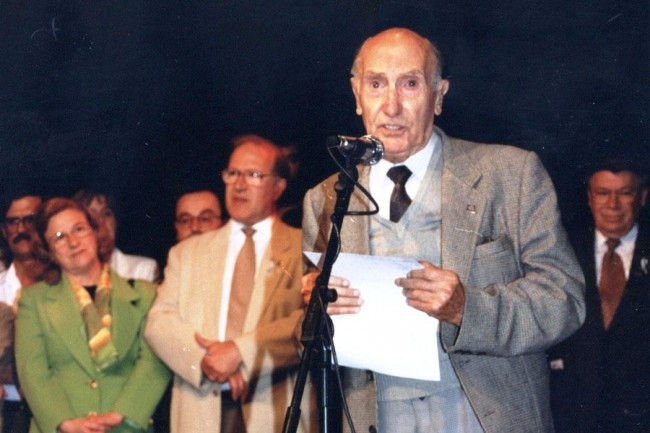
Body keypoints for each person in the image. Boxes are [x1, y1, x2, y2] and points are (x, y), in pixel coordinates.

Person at [301, 27, 585, 433]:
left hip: (482, 413)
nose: (391, 105)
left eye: (410, 84)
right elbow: (313, 349)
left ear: (439, 95)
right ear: (356, 94)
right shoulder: (325, 199)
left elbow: (564, 300)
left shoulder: (511, 174)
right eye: (376, 84)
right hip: (376, 418)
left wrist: (467, 309)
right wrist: (315, 311)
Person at [145, 135, 315, 433]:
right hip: (201, 409)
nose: (239, 185)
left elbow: (311, 322)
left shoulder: (304, 247)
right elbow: (158, 323)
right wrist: (206, 361)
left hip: (276, 409)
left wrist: (240, 353)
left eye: (253, 175)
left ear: (278, 186)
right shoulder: (186, 252)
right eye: (233, 173)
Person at [15, 198, 170, 433]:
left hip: (126, 426)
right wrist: (66, 423)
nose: (73, 242)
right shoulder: (33, 301)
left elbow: (153, 361)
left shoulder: (145, 294)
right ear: (48, 251)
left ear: (96, 232)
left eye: (79, 229)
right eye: (59, 237)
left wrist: (120, 414)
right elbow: (32, 371)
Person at [548, 158, 650, 433]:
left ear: (642, 197)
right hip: (572, 416)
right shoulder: (561, 250)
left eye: (625, 193)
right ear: (590, 198)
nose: (613, 205)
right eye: (603, 193)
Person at [0, 191, 45, 433]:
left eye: (30, 219)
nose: (21, 229)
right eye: (13, 222)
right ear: (4, 230)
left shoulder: (66, 287)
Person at [73, 189, 160, 282]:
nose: (100, 223)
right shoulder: (68, 279)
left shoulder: (142, 270)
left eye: (106, 214)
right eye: (90, 217)